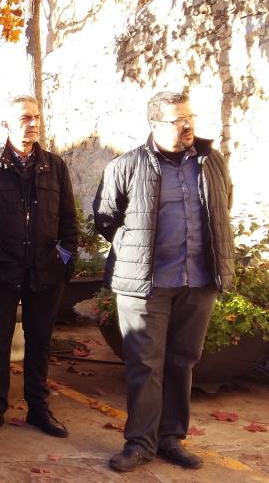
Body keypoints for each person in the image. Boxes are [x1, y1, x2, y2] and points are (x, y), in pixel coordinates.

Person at [94, 91, 234, 473]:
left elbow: (225, 204)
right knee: (144, 364)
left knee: (182, 361)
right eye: (177, 120)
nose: (187, 125)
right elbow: (106, 218)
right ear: (154, 124)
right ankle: (139, 442)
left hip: (198, 280)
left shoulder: (210, 162)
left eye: (189, 117)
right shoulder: (126, 166)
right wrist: (134, 248)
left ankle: (172, 438)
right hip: (144, 285)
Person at [0, 95, 78, 440]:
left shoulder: (55, 166)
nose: (32, 123)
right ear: (7, 124)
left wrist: (64, 262)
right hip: (0, 272)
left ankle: (39, 408)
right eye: (25, 117)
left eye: (36, 117)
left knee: (40, 344)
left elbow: (69, 221)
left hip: (45, 273)